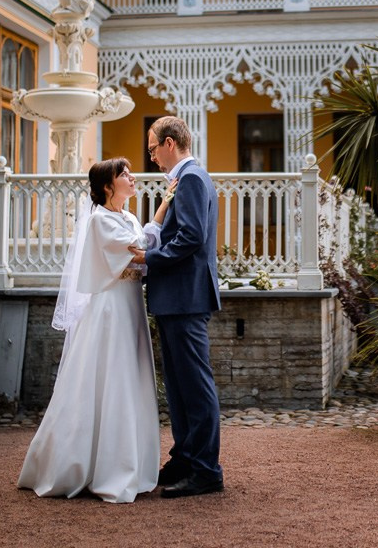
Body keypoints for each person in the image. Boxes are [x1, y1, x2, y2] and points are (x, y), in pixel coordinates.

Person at [17, 158, 174, 502]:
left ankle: (129, 463)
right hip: (110, 308)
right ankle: (96, 467)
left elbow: (143, 243)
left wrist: (162, 209)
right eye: (124, 174)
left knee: (131, 377)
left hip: (130, 304)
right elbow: (140, 249)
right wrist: (162, 209)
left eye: (130, 172)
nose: (132, 177)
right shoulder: (99, 220)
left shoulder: (127, 217)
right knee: (110, 378)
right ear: (107, 186)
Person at [128, 116, 223, 498]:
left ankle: (206, 470)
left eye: (153, 149)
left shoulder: (193, 178)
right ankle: (184, 459)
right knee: (180, 388)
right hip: (176, 297)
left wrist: (149, 258)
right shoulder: (185, 179)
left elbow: (191, 237)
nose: (151, 157)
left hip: (186, 297)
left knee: (195, 387)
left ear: (170, 143)